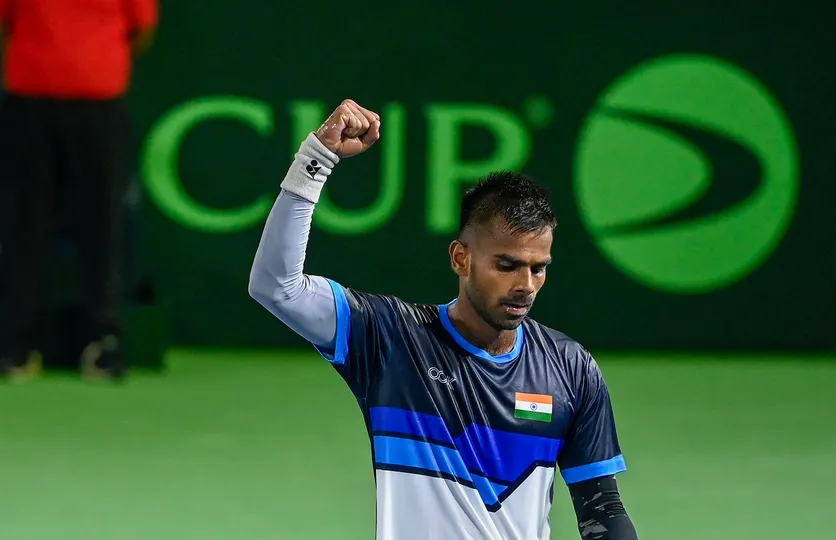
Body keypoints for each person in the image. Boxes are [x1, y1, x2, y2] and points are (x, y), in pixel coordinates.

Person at [249, 99, 639, 540]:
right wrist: (315, 158)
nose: (526, 284)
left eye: (539, 267)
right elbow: (276, 286)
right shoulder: (391, 339)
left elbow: (602, 510)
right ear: (461, 258)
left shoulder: (570, 368)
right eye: (507, 265)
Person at [0, 0, 158, 382]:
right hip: (28, 103)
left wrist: (94, 65)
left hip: (99, 105)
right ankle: (16, 344)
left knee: (102, 226)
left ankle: (103, 342)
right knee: (23, 226)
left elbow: (142, 29)